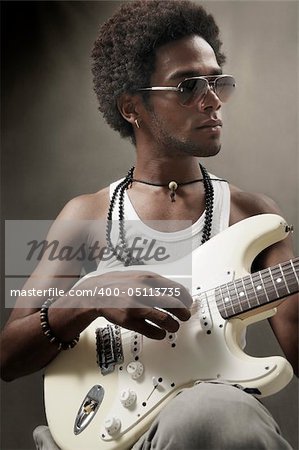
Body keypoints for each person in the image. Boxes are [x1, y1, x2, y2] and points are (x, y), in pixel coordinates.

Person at [1, 1, 298, 449]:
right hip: (105, 428)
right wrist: (90, 297)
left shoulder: (255, 214)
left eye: (217, 81)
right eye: (188, 86)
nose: (213, 98)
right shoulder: (81, 215)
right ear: (130, 106)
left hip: (213, 431)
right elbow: (7, 356)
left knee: (216, 414)